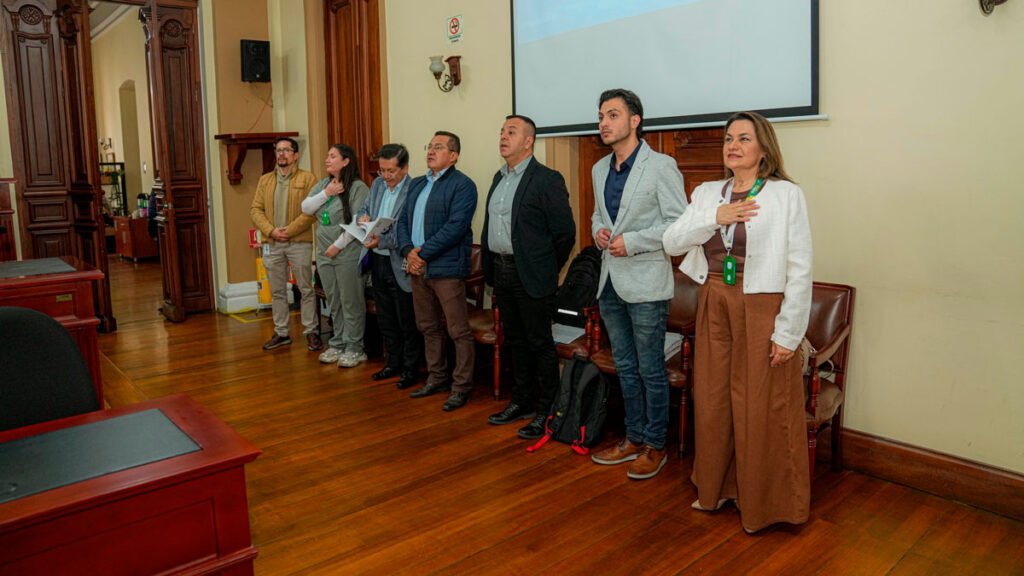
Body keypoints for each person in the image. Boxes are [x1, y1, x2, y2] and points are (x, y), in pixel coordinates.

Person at [662, 111, 812, 533]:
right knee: (712, 399)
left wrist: (788, 332)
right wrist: (717, 218)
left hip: (763, 303)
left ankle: (767, 503)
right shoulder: (709, 192)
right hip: (715, 300)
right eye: (729, 138)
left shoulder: (786, 195)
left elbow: (800, 267)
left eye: (744, 138)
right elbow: (671, 240)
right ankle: (715, 489)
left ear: (763, 148)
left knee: (760, 405)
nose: (733, 145)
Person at [588, 89, 687, 480]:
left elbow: (677, 224)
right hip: (610, 280)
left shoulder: (661, 166)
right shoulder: (599, 169)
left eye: (612, 115)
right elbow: (600, 211)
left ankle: (655, 445)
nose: (604, 123)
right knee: (625, 366)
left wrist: (634, 241)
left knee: (650, 369)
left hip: (646, 281)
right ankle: (632, 438)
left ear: (635, 120)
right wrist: (599, 229)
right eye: (600, 116)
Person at [482, 115, 575, 438]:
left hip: (533, 276)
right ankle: (521, 401)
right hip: (503, 270)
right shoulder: (499, 178)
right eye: (502, 131)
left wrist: (546, 268)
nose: (503, 136)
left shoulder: (546, 179)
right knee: (516, 341)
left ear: (528, 141)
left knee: (539, 343)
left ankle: (546, 410)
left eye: (511, 132)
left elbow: (565, 234)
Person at [396, 131, 478, 412]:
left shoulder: (463, 186)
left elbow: (455, 228)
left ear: (453, 156)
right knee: (428, 326)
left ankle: (461, 386)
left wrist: (422, 253)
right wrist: (408, 250)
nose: (431, 151)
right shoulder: (418, 184)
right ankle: (436, 377)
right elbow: (402, 221)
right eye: (429, 146)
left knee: (458, 330)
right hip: (417, 266)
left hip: (445, 268)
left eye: (438, 147)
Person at [356, 144, 423, 389]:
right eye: (381, 171)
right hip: (377, 258)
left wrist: (381, 240)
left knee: (406, 318)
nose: (385, 176)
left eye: (391, 171)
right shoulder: (376, 185)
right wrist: (362, 219)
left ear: (404, 168)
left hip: (398, 259)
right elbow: (363, 209)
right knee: (386, 317)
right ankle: (392, 363)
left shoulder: (413, 189)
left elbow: (405, 229)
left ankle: (410, 368)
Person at [301, 144, 370, 368]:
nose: (327, 160)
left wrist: (338, 245)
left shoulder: (359, 188)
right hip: (324, 254)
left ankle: (354, 347)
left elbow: (359, 223)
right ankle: (338, 342)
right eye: (327, 155)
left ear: (346, 161)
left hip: (346, 252)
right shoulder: (324, 184)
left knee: (350, 301)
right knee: (335, 300)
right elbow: (306, 208)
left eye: (332, 156)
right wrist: (327, 193)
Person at [250, 137, 320, 352]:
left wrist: (289, 231)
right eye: (278, 150)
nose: (281, 154)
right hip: (273, 242)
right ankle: (281, 332)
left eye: (286, 150)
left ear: (295, 155)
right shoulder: (265, 180)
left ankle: (311, 332)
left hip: (298, 242)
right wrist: (271, 231)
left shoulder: (309, 179)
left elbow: (311, 212)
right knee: (278, 291)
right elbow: (255, 209)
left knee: (306, 289)